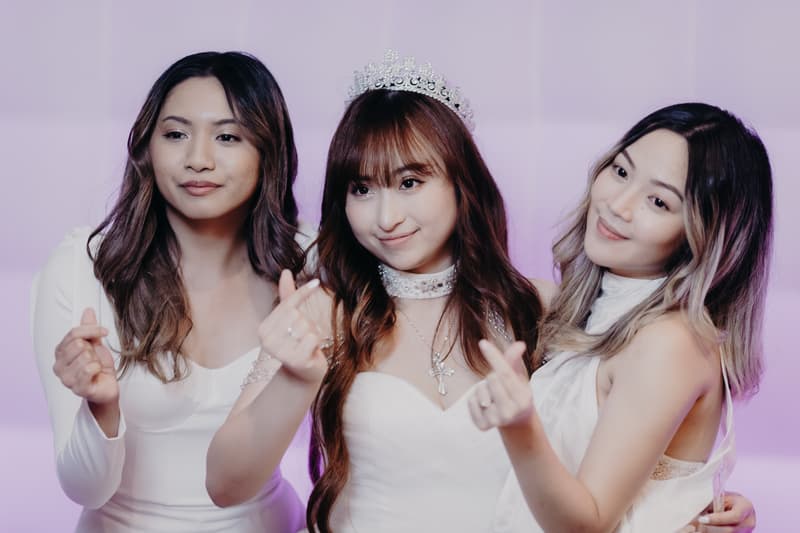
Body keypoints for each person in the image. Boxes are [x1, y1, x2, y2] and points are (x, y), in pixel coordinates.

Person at [207, 52, 757, 533]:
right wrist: (293, 381)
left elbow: (607, 459)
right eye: (361, 188)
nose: (385, 216)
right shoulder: (324, 312)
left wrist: (696, 500)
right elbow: (226, 485)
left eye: (410, 182)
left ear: (460, 179)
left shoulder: (540, 310)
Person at [32, 51, 309, 532]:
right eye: (176, 134)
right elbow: (85, 488)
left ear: (269, 150)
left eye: (227, 136)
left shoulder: (310, 263)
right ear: (146, 147)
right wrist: (102, 407)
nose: (198, 159)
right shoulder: (83, 268)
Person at [469, 103, 769, 532]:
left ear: (701, 234)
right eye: (622, 172)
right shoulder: (589, 306)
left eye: (659, 202)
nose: (618, 205)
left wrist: (520, 428)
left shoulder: (670, 342)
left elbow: (585, 526)